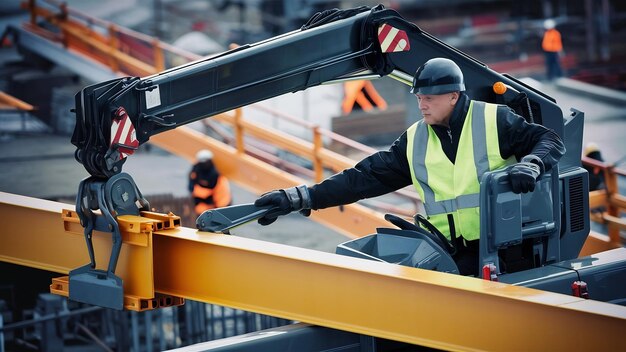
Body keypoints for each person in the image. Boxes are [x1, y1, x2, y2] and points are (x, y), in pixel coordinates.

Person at [254, 58, 565, 276]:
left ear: (454, 96)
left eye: (429, 97)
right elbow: (365, 178)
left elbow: (549, 140)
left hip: (512, 252)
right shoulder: (416, 140)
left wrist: (532, 165)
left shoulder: (494, 120)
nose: (422, 104)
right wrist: (300, 198)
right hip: (454, 256)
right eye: (419, 97)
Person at [189, 149, 232, 216]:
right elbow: (191, 186)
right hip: (203, 208)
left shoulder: (217, 178)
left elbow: (222, 199)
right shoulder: (196, 171)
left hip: (217, 208)